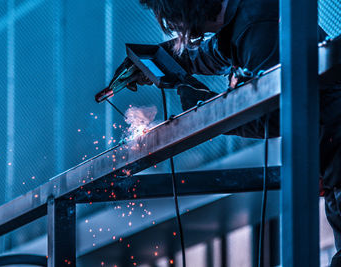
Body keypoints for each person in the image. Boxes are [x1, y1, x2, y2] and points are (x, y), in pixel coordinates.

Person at [107, 0, 341, 265]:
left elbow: (278, 116)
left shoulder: (256, 24)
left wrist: (212, 109)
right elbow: (207, 54)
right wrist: (157, 58)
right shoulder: (243, 17)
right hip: (331, 163)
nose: (172, 26)